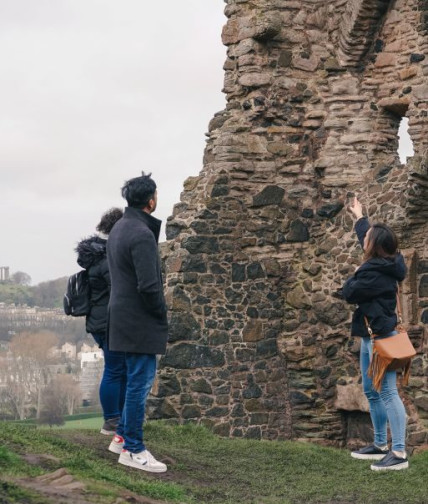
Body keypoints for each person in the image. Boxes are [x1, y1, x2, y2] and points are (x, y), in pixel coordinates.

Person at [106, 172, 168, 473]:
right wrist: (160, 313)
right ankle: (133, 449)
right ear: (151, 200)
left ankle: (120, 437)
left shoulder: (119, 227)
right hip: (139, 318)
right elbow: (149, 286)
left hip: (120, 314)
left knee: (132, 380)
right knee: (140, 384)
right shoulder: (142, 234)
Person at [343, 196, 408, 471]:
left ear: (375, 248)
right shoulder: (386, 262)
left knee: (389, 392)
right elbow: (367, 239)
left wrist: (355, 273)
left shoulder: (371, 272)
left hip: (382, 337)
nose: (364, 242)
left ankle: (400, 453)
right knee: (372, 390)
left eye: (368, 239)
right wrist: (359, 217)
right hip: (372, 336)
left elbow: (349, 292)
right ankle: (380, 445)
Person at [76, 207, 126, 435]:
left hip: (99, 321)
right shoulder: (108, 259)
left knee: (117, 368)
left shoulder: (97, 257)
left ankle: (116, 418)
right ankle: (111, 420)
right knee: (115, 369)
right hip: (109, 322)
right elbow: (118, 291)